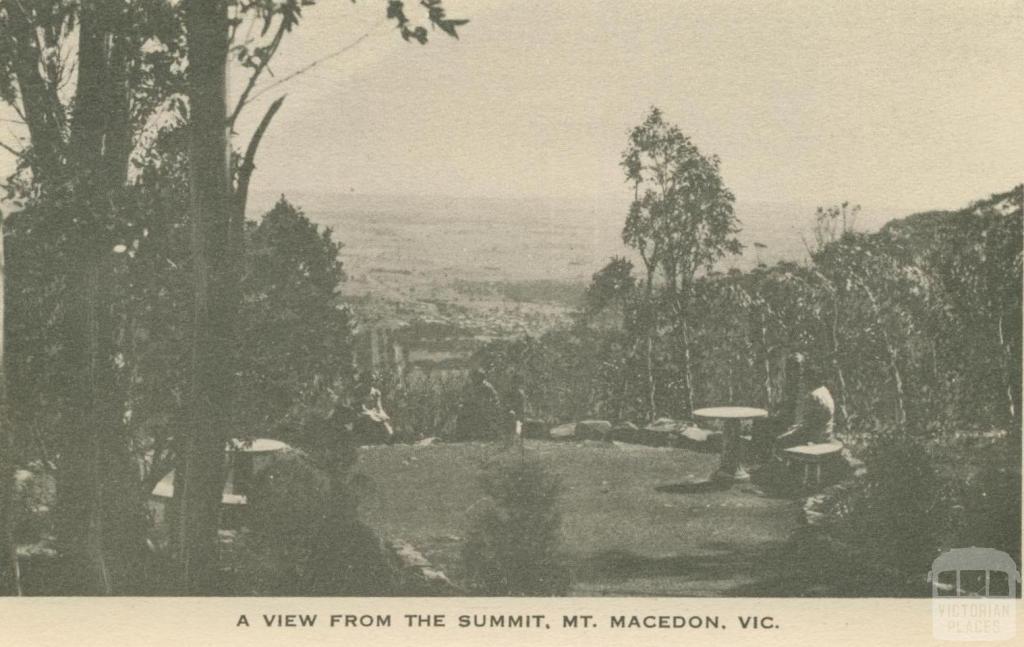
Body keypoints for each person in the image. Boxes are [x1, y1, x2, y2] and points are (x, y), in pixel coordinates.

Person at [455, 368, 502, 441]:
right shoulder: (470, 386)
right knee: (462, 412)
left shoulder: (487, 387)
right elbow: (463, 397)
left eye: (477, 377)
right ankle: (462, 434)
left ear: (481, 377)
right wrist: (462, 403)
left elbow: (495, 398)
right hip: (471, 406)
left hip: (484, 407)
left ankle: (480, 434)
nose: (474, 379)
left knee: (478, 414)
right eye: (474, 377)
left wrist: (491, 405)